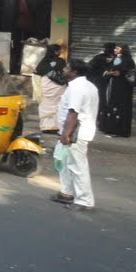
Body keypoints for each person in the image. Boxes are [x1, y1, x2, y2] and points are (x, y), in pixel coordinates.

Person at [51, 58, 100, 212]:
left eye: (67, 67)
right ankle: (66, 193)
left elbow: (73, 113)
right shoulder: (88, 86)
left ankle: (85, 201)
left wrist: (66, 134)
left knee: (78, 167)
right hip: (73, 132)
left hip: (75, 134)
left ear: (74, 72)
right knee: (62, 160)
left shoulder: (77, 88)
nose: (64, 70)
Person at [103, 43, 136, 137]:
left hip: (124, 87)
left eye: (117, 48)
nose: (115, 50)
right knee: (114, 106)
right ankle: (113, 130)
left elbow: (125, 71)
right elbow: (110, 68)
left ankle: (121, 131)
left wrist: (119, 72)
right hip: (115, 85)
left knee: (122, 108)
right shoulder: (116, 58)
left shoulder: (127, 60)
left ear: (122, 49)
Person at [34, 43, 66, 133]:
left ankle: (45, 126)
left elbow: (38, 71)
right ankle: (56, 127)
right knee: (57, 105)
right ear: (56, 51)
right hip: (58, 87)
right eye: (59, 50)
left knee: (46, 105)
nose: (60, 52)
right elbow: (64, 72)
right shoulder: (60, 61)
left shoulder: (44, 61)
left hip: (46, 85)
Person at [86, 43, 116, 132]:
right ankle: (103, 122)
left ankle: (101, 121)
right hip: (106, 83)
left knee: (101, 102)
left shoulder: (100, 57)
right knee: (103, 101)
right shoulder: (115, 58)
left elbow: (89, 68)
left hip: (102, 83)